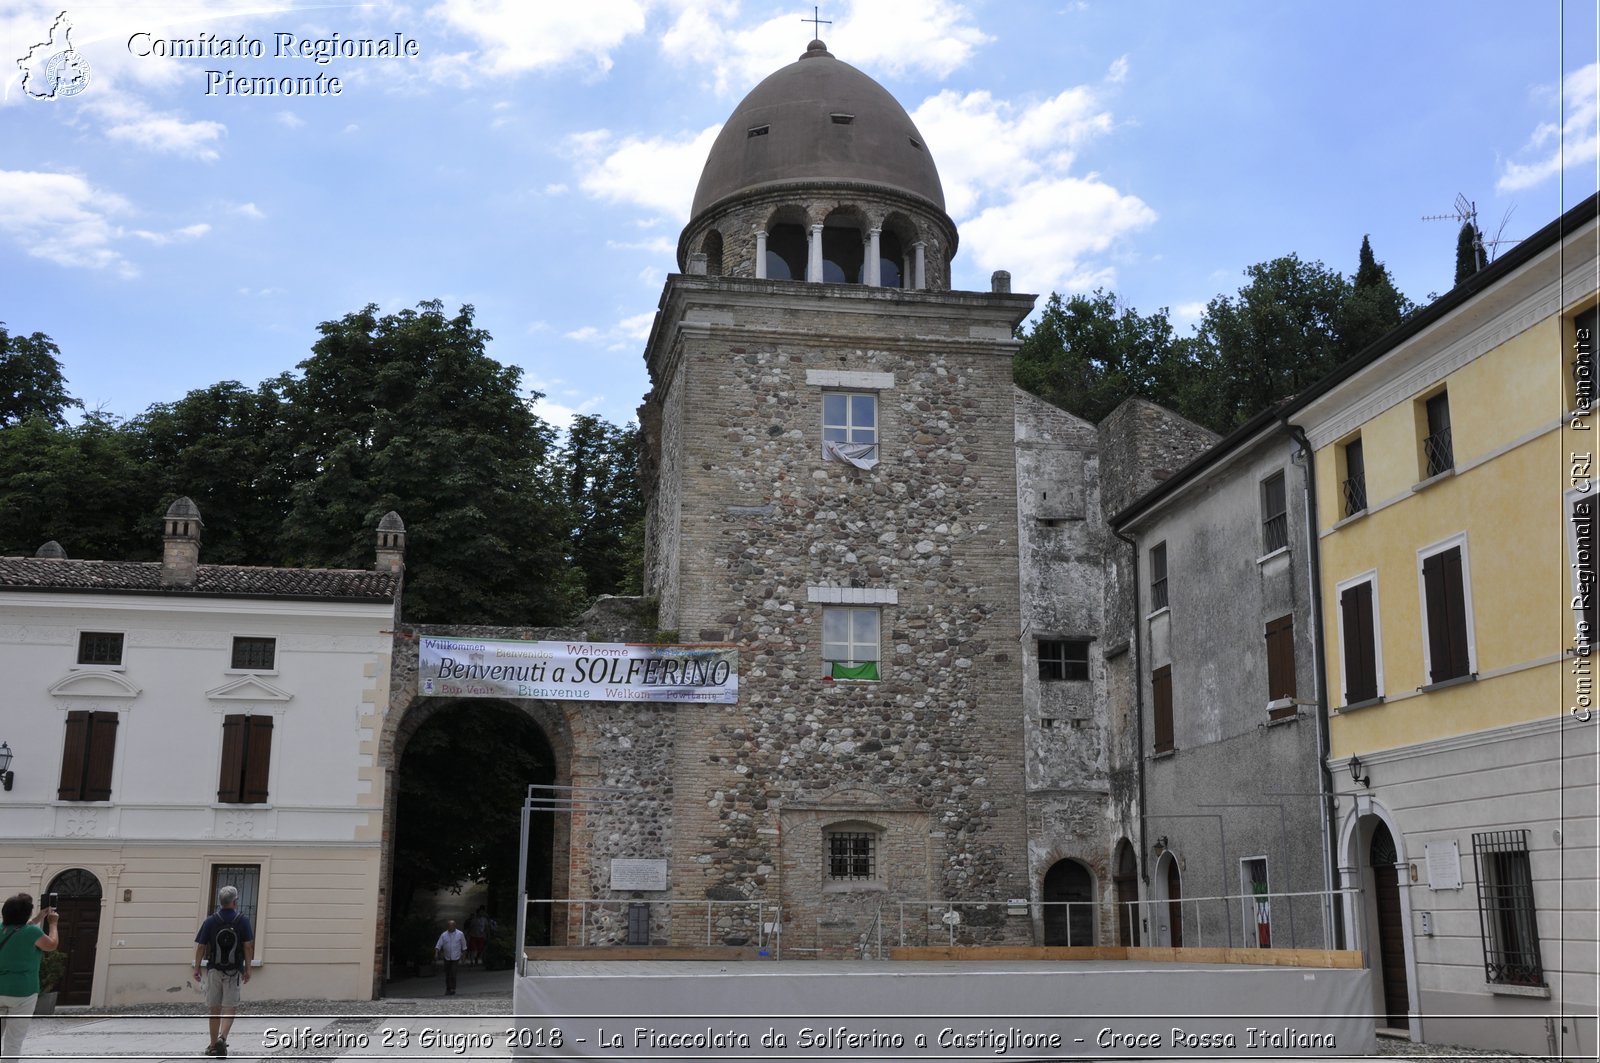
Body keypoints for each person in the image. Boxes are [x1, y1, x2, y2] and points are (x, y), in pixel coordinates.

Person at [192, 886, 254, 1058]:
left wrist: (197, 967)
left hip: (214, 970)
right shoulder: (243, 920)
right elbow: (247, 946)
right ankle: (222, 1037)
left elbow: (201, 947)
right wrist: (248, 968)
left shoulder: (211, 921)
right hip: (234, 971)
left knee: (214, 1008)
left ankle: (212, 1046)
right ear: (235, 902)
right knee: (230, 1007)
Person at [0, 893, 59, 1062]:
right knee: (13, 1042)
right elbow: (52, 944)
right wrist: (53, 924)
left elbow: (17, 930)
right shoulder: (32, 932)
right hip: (22, 992)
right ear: (25, 914)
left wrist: (38, 917)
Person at [434, 918, 466, 995]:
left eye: (452, 926)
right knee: (448, 973)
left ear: (455, 926)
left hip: (456, 957)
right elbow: (438, 944)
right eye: (449, 926)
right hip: (447, 957)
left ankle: (453, 988)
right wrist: (436, 953)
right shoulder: (444, 935)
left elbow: (464, 946)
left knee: (453, 972)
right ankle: (448, 988)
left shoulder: (460, 934)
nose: (450, 927)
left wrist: (464, 956)